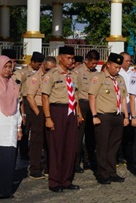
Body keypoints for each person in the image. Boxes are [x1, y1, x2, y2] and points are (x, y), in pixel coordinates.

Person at [42, 46, 82, 192]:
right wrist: (48, 117)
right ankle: (55, 181)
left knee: (70, 147)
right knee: (56, 147)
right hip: (57, 111)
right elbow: (45, 97)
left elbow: (75, 95)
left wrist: (78, 114)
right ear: (60, 58)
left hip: (71, 112)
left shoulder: (73, 75)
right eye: (69, 58)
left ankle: (66, 180)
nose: (71, 61)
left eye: (72, 58)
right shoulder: (51, 74)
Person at [89, 53, 129, 184]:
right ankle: (102, 173)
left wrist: (126, 115)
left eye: (119, 68)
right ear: (108, 64)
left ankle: (112, 171)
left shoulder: (120, 79)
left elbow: (123, 98)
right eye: (116, 67)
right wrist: (94, 115)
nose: (117, 70)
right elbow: (92, 96)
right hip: (103, 116)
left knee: (114, 146)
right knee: (103, 146)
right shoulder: (99, 77)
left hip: (117, 116)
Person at [26, 56, 56, 179]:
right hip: (39, 109)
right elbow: (30, 96)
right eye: (47, 69)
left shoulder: (55, 76)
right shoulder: (36, 78)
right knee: (37, 141)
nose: (49, 72)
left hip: (51, 109)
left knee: (50, 140)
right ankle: (35, 169)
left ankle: (49, 167)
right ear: (43, 66)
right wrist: (38, 113)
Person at [72, 50, 100, 173]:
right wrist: (77, 111)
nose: (94, 66)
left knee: (91, 135)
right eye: (92, 63)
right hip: (81, 104)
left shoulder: (97, 73)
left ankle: (88, 160)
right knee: (78, 136)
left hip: (93, 105)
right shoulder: (78, 72)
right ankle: (76, 162)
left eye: (96, 64)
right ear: (86, 60)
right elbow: (74, 92)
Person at [0, 56, 22, 199]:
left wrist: (19, 127)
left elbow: (17, 107)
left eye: (10, 67)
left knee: (9, 160)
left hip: (11, 127)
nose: (8, 70)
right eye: (5, 67)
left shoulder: (14, 84)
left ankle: (6, 190)